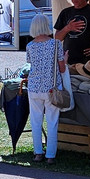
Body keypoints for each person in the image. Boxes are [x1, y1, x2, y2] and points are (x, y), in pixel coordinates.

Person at [25, 14, 66, 164]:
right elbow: (61, 68)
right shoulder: (56, 44)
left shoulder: (30, 46)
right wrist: (65, 60)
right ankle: (50, 155)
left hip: (34, 87)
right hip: (51, 88)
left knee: (36, 122)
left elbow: (30, 65)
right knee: (52, 121)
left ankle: (37, 153)